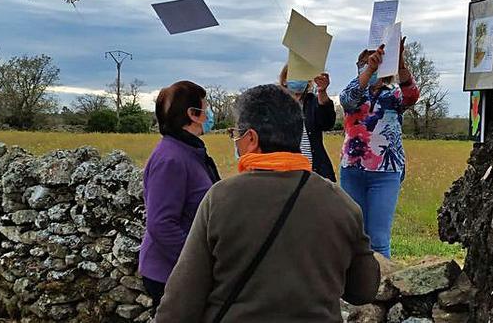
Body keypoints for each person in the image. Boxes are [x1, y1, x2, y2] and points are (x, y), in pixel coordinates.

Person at [154, 85, 380, 322]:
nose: (236, 142)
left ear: (251, 139)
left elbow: (180, 304)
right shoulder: (341, 204)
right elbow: (363, 290)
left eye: (236, 134)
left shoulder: (220, 199)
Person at [138, 80, 221, 311]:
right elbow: (161, 223)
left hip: (179, 271)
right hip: (170, 275)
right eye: (206, 106)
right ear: (193, 114)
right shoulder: (170, 159)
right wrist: (198, 264)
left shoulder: (188, 151)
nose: (209, 112)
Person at [339, 38, 419, 258]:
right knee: (355, 233)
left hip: (386, 171)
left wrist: (399, 60)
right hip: (353, 169)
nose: (370, 66)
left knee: (379, 238)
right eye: (365, 63)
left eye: (375, 63)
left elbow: (411, 95)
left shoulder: (393, 93)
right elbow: (347, 100)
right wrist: (369, 70)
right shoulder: (354, 89)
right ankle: (356, 285)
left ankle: (382, 284)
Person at [279, 65, 337, 181]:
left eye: (302, 75)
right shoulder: (276, 105)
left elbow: (327, 123)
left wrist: (322, 92)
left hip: (314, 172)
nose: (298, 79)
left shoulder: (313, 102)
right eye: (294, 75)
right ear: (285, 80)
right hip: (287, 173)